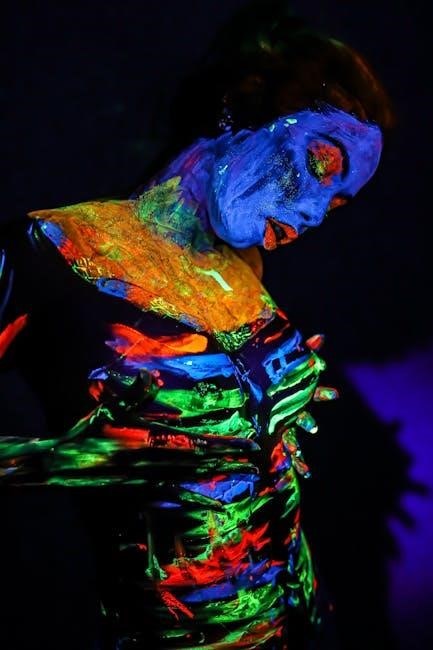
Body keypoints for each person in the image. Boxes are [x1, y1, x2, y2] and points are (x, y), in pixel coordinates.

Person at [0, 3, 395, 649]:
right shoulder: (50, 249)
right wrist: (78, 459)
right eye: (321, 165)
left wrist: (273, 404)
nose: (316, 212)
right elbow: (149, 454)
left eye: (338, 200)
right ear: (235, 112)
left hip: (298, 618)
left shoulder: (245, 266)